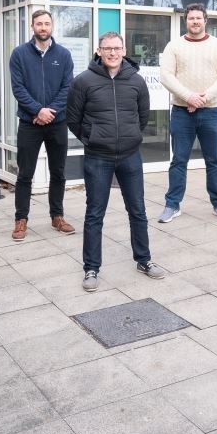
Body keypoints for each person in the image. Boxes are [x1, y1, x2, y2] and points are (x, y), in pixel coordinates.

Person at [65, 32, 165, 291]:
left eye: (117, 48)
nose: (112, 53)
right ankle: (91, 269)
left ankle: (144, 259)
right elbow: (73, 118)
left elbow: (143, 116)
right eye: (107, 48)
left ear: (124, 50)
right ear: (98, 51)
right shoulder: (83, 81)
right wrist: (92, 137)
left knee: (138, 210)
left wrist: (131, 136)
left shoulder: (136, 81)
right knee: (94, 214)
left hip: (131, 155)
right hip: (98, 156)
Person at [158, 3, 217, 223]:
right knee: (179, 160)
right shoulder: (174, 46)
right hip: (182, 112)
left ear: (205, 20)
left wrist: (201, 99)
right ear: (186, 21)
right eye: (191, 18)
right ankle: (172, 205)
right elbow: (167, 76)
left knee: (214, 160)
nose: (195, 22)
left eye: (198, 18)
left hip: (211, 112)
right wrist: (189, 97)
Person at [9, 9, 76, 241]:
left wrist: (49, 112)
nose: (43, 27)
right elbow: (18, 89)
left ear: (52, 26)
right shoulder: (19, 54)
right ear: (32, 26)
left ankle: (57, 216)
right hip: (30, 123)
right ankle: (21, 220)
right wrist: (38, 110)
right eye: (39, 23)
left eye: (47, 23)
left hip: (57, 123)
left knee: (58, 172)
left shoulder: (64, 55)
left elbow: (67, 88)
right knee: (24, 174)